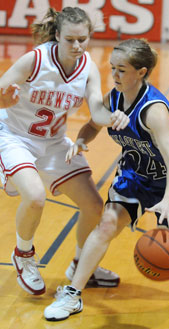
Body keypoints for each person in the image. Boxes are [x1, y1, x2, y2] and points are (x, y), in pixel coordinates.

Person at [44, 38, 169, 321]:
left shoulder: (153, 110)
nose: (114, 75)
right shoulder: (114, 98)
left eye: (122, 70)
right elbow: (92, 124)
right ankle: (73, 294)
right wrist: (82, 140)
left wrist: (168, 200)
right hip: (136, 173)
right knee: (107, 223)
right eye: (112, 68)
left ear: (142, 72)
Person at [0, 7, 130, 296]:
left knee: (95, 207)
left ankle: (81, 264)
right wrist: (3, 101)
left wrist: (111, 117)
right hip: (15, 137)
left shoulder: (88, 68)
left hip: (54, 143)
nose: (77, 46)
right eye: (70, 39)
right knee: (34, 197)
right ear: (57, 35)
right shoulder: (34, 60)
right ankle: (23, 255)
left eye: (82, 39)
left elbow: (96, 107)